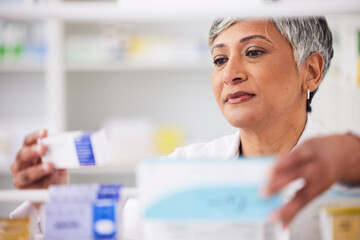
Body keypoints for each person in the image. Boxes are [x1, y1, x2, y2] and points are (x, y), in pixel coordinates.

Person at [10, 17, 360, 239]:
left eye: (253, 52)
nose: (230, 73)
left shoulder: (344, 170)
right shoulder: (182, 168)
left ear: (310, 71)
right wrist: (51, 201)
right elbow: (117, 232)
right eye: (220, 59)